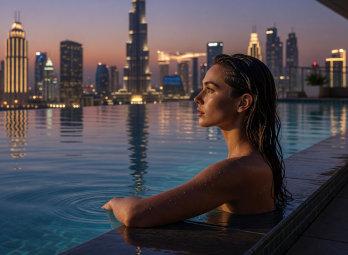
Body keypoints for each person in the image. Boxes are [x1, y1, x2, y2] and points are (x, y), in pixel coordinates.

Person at [103, 54, 291, 227]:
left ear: (243, 103)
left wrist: (114, 202)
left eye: (210, 89)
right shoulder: (259, 160)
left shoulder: (237, 170)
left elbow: (135, 215)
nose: (197, 98)